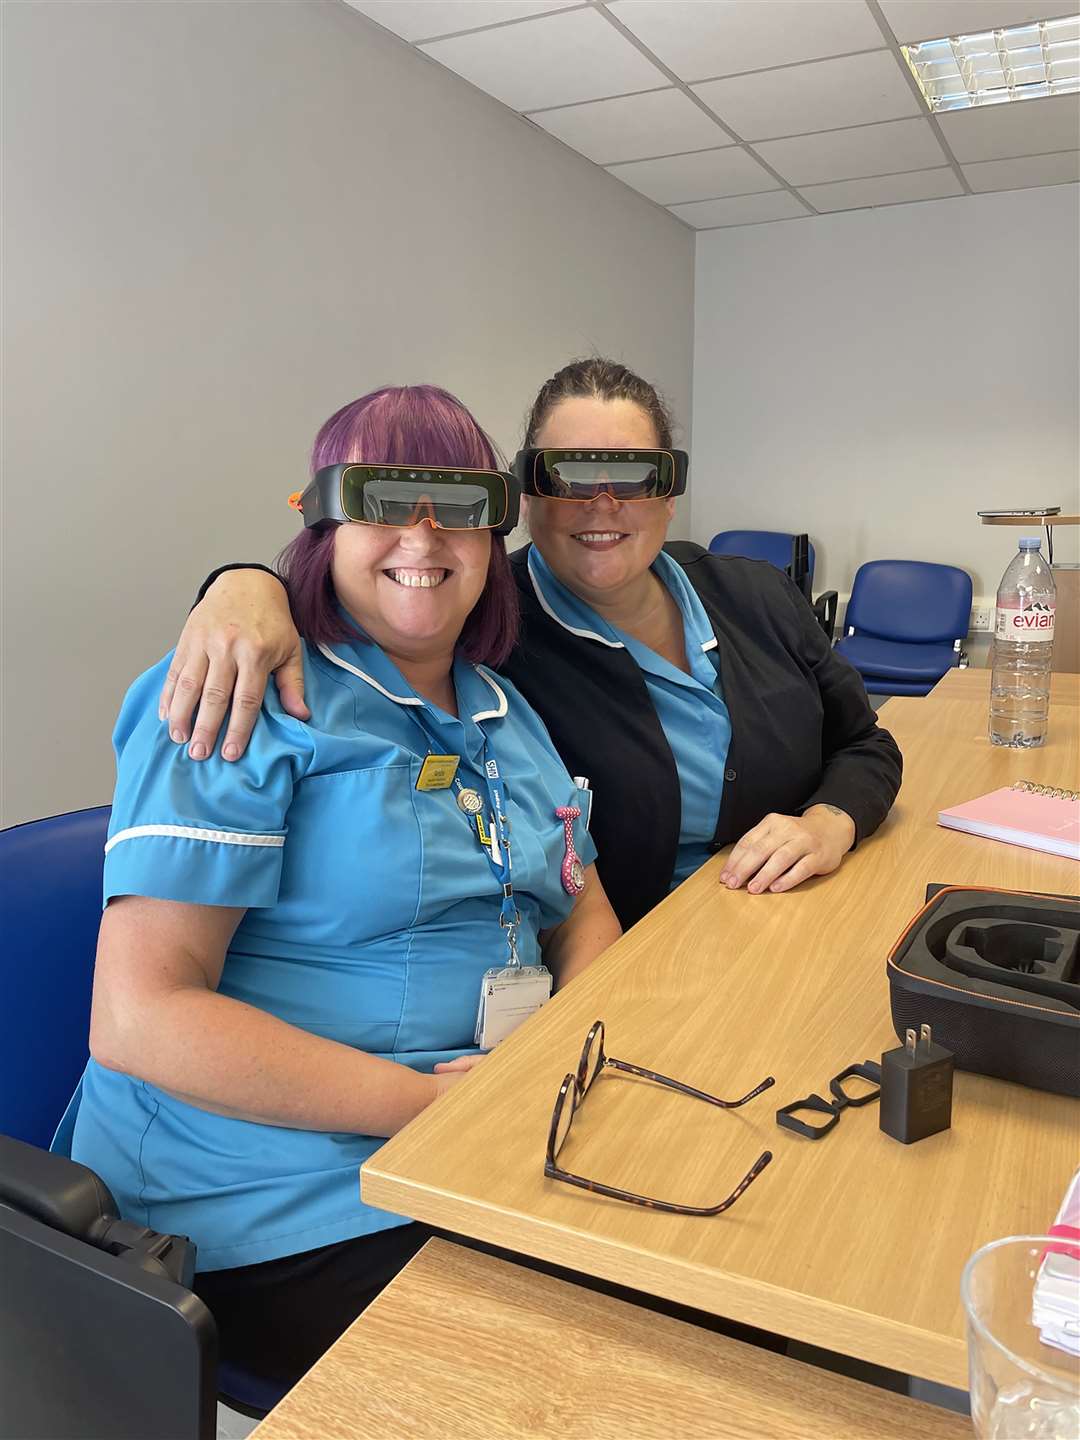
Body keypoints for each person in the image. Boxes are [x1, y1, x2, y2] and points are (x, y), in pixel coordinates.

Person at [55, 384, 620, 1392]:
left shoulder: (505, 710)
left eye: (459, 502)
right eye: (383, 496)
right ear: (319, 522)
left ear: (496, 537)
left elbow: (578, 904)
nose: (423, 532)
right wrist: (430, 1111)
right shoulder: (239, 694)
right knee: (568, 1383)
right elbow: (139, 1017)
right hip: (266, 1198)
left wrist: (573, 1062)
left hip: (485, 1141)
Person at [162, 359, 902, 930]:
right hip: (653, 957)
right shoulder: (486, 632)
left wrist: (828, 822)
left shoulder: (758, 595)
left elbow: (866, 745)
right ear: (522, 497)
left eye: (634, 476)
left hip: (812, 917)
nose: (601, 504)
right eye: (569, 476)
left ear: (669, 493)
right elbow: (370, 586)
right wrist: (243, 583)